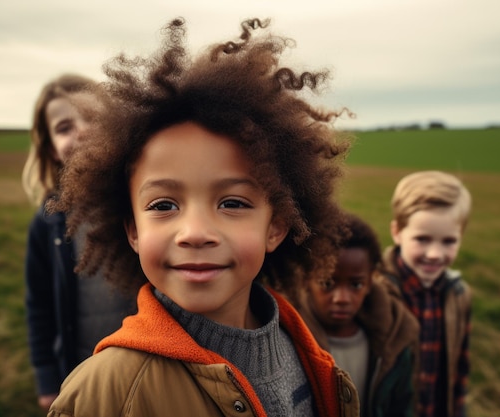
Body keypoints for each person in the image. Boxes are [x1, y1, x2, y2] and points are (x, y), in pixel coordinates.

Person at [47, 17, 359, 417]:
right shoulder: (104, 394)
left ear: (277, 226)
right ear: (133, 231)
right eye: (163, 206)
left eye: (232, 203)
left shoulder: (308, 352)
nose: (194, 233)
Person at [22, 73, 137, 412]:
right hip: (83, 369)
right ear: (51, 150)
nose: (81, 131)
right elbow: (38, 306)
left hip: (150, 362)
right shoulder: (48, 223)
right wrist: (46, 378)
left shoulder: (140, 203)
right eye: (64, 127)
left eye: (93, 118)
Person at [294, 211, 419, 417]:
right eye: (327, 283)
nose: (342, 298)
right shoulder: (288, 337)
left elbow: (403, 405)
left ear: (371, 282)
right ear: (307, 280)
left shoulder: (395, 337)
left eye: (356, 284)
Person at [383, 170, 472, 417]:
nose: (435, 254)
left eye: (449, 241)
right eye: (422, 239)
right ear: (397, 232)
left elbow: (460, 369)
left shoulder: (459, 295)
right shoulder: (377, 292)